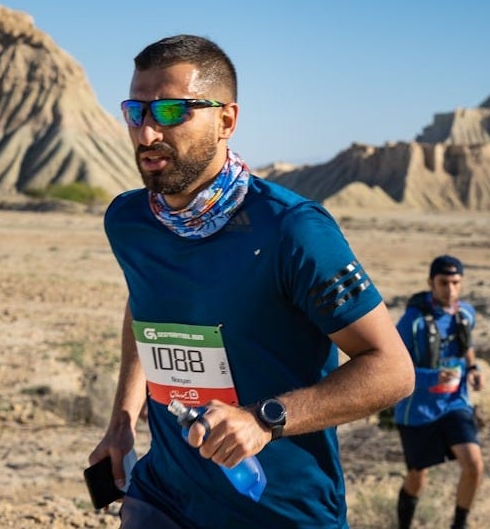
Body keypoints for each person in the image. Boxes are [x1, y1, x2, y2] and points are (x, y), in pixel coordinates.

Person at [88, 34, 415, 528]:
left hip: (278, 509)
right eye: (137, 112)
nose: (148, 133)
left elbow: (392, 369)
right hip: (166, 497)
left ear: (226, 120)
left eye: (173, 112)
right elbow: (145, 306)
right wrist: (121, 423)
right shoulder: (129, 221)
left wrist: (263, 420)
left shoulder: (292, 229)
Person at [393, 255, 484, 529]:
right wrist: (432, 377)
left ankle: (459, 524)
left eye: (456, 282)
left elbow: (466, 345)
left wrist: (473, 368)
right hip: (417, 411)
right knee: (416, 477)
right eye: (444, 282)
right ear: (431, 282)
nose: (450, 289)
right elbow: (395, 367)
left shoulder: (466, 314)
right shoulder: (412, 320)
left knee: (473, 465)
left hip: (455, 403)